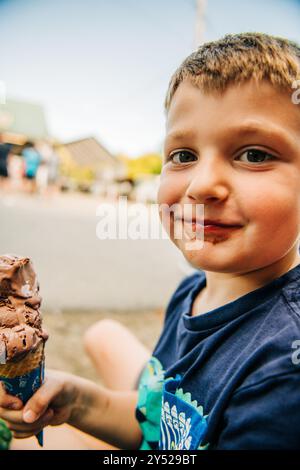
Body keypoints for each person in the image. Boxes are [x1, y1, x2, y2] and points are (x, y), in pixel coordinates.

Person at [1, 31, 300, 450]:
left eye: (253, 154)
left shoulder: (283, 368)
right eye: (183, 155)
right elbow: (155, 421)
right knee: (102, 333)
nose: (202, 185)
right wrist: (80, 402)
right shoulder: (192, 290)